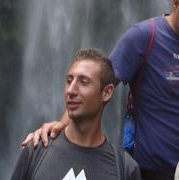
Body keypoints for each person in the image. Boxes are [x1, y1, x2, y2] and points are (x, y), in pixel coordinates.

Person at [26, 0, 179, 180]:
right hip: (154, 171)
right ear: (175, 3)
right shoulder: (144, 37)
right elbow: (98, 86)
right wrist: (62, 126)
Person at [10, 48, 140, 180]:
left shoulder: (125, 170)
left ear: (106, 92)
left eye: (84, 82)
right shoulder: (36, 151)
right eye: (69, 81)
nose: (71, 90)